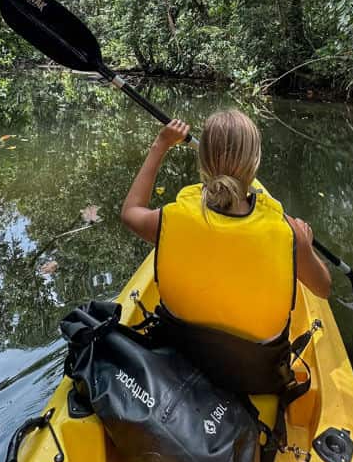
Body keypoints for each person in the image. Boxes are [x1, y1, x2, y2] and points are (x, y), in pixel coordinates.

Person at [120, 110, 331, 354]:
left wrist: (160, 145)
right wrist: (304, 243)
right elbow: (323, 288)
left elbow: (130, 212)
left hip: (179, 350)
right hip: (254, 373)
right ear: (254, 161)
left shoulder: (171, 217)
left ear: (204, 160)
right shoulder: (289, 233)